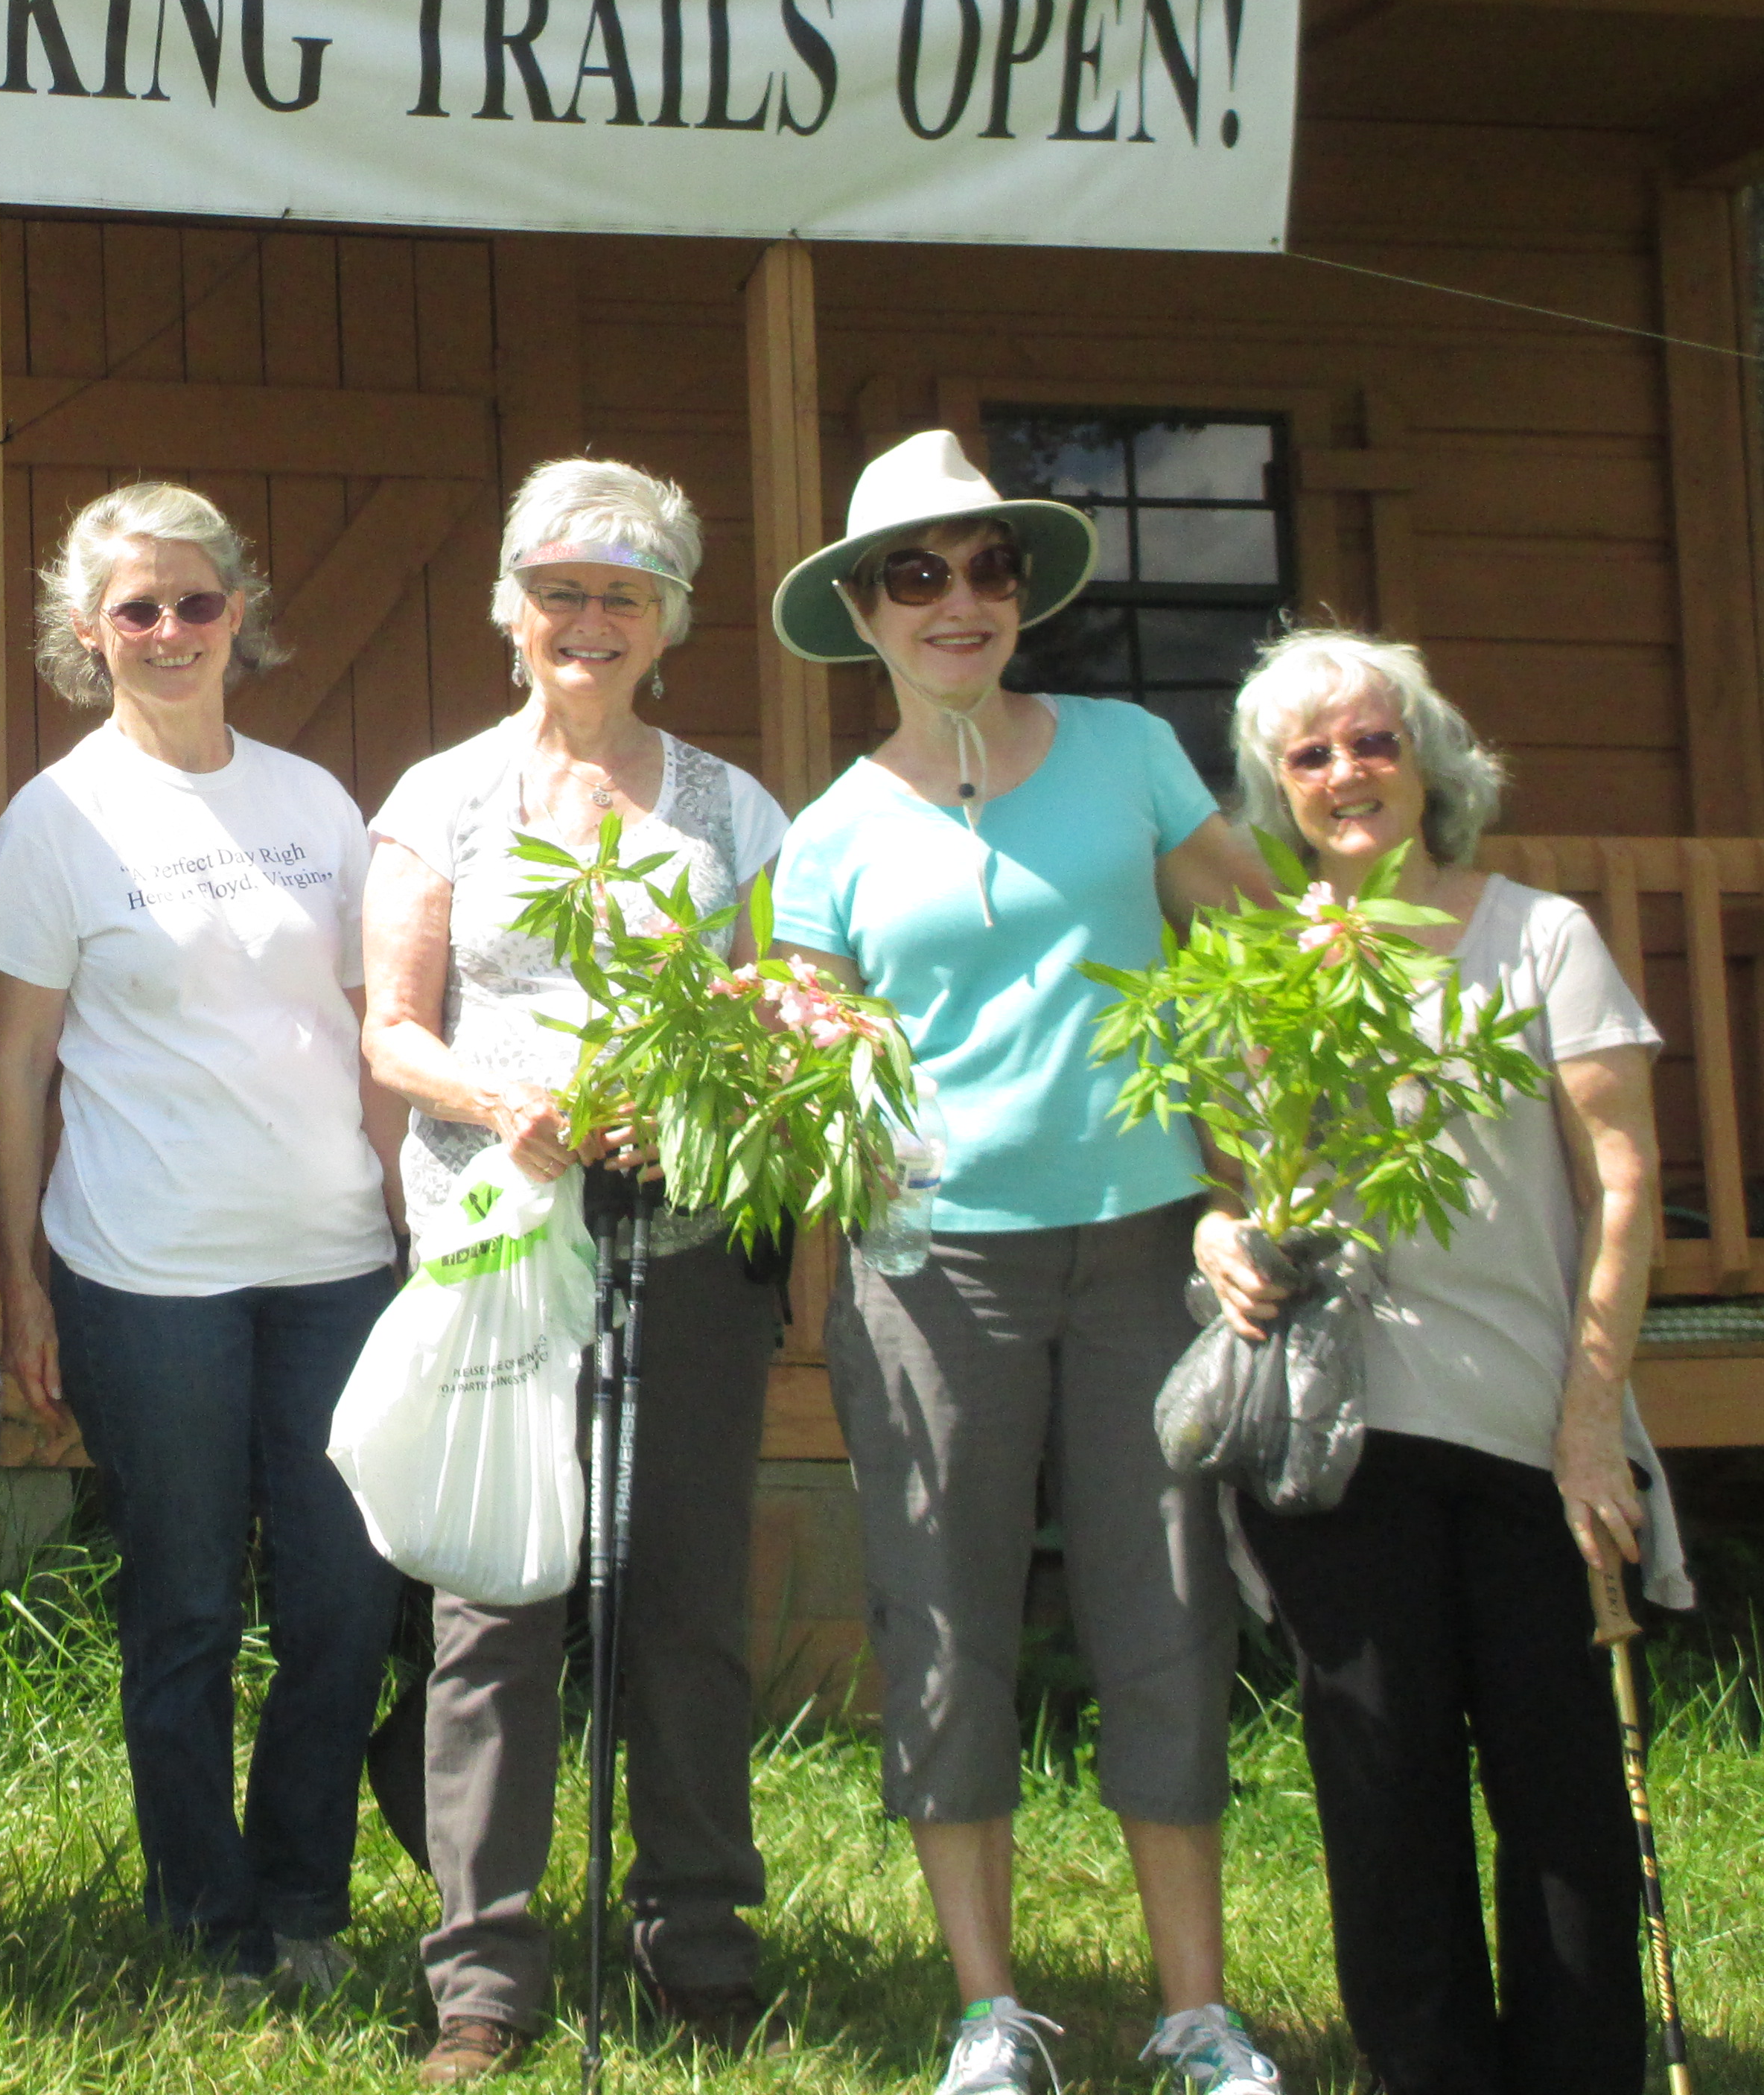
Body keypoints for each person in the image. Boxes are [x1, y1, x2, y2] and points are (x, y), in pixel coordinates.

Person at [765, 430, 1281, 2095]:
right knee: (942, 1625)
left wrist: (1242, 1179)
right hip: (931, 1273)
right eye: (917, 573)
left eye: (986, 567)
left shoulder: (1130, 751)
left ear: (1021, 590)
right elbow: (815, 1064)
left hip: (1143, 1250)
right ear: (864, 609)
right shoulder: (830, 831)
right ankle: (991, 2013)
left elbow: (1253, 950)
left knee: (1167, 1611)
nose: (959, 600)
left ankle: (1196, 2009)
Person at [1205, 628, 1688, 2095]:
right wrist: (1216, 1242)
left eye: (1374, 742)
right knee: (1382, 1800)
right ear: (1276, 793)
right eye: (1313, 756)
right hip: (1341, 1445)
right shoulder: (1263, 976)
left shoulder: (1539, 938)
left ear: (1428, 760)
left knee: (1564, 1807)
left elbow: (1624, 1184)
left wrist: (1592, 1421)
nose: (1348, 774)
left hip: (1537, 1433)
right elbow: (1241, 1194)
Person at [361, 458, 795, 2082]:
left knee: (683, 1599)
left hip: (679, 1248)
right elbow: (393, 1027)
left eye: (624, 595)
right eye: (559, 590)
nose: (588, 622)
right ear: (509, 613)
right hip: (494, 1246)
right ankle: (484, 1978)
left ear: (670, 623)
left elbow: (782, 1023)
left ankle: (700, 1943)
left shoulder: (732, 810)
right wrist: (503, 1101)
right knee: (496, 1602)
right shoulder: (442, 797)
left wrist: (705, 1115)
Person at [0, 482, 404, 2000]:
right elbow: (14, 1067)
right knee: (187, 1606)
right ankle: (203, 1920)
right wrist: (19, 1273)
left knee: (346, 1599)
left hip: (338, 1260)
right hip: (145, 1273)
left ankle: (302, 1904)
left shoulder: (314, 803)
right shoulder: (57, 817)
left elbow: (375, 1032)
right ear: (87, 634)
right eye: (135, 609)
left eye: (196, 602)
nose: (168, 631)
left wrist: (408, 1224)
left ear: (242, 616)